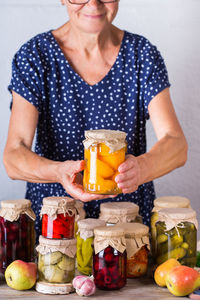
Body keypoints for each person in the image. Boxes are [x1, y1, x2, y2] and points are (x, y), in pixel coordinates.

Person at [3, 0, 188, 239]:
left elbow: (176, 144)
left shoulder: (142, 54)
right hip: (56, 227)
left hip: (127, 229)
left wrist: (143, 168)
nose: (94, 3)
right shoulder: (35, 56)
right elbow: (13, 157)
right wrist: (59, 172)